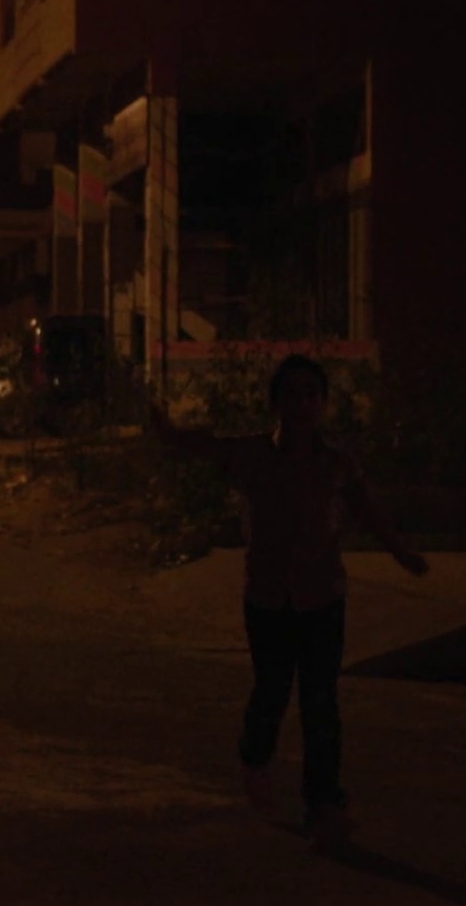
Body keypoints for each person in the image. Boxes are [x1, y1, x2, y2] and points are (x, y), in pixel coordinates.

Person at [150, 354, 427, 851]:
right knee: (272, 692)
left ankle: (323, 803)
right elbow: (208, 447)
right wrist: (167, 432)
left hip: (323, 596)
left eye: (311, 394)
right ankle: (254, 758)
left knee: (320, 701)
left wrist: (401, 552)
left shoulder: (336, 463)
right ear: (276, 403)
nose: (302, 403)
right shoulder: (253, 455)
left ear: (322, 403)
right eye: (293, 394)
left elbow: (366, 510)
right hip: (269, 599)